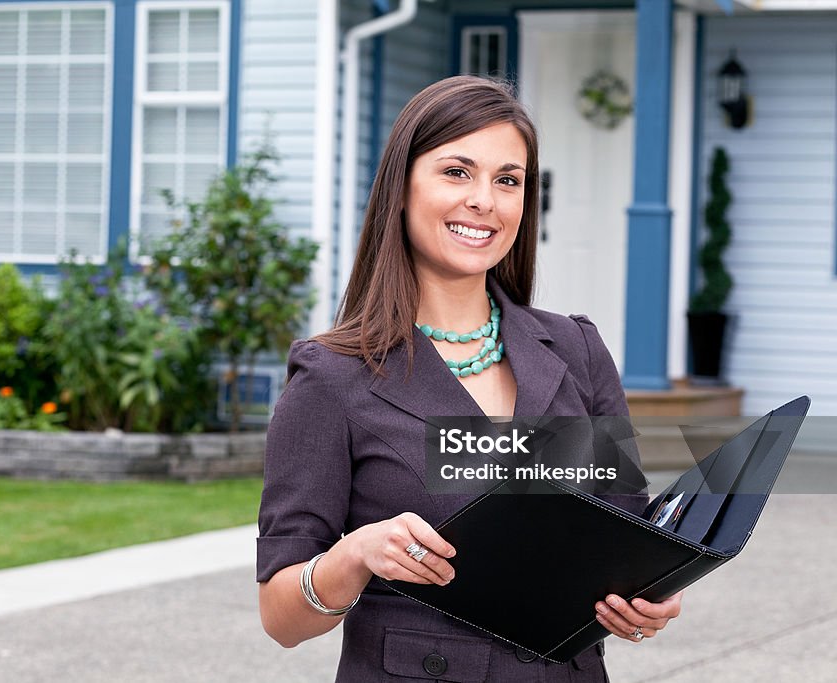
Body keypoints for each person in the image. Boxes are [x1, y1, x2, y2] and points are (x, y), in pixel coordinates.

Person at [256, 75, 682, 682]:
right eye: (457, 172)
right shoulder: (332, 379)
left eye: (508, 180)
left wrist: (651, 593)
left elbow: (629, 537)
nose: (485, 199)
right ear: (400, 189)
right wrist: (354, 553)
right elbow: (281, 617)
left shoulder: (576, 349)